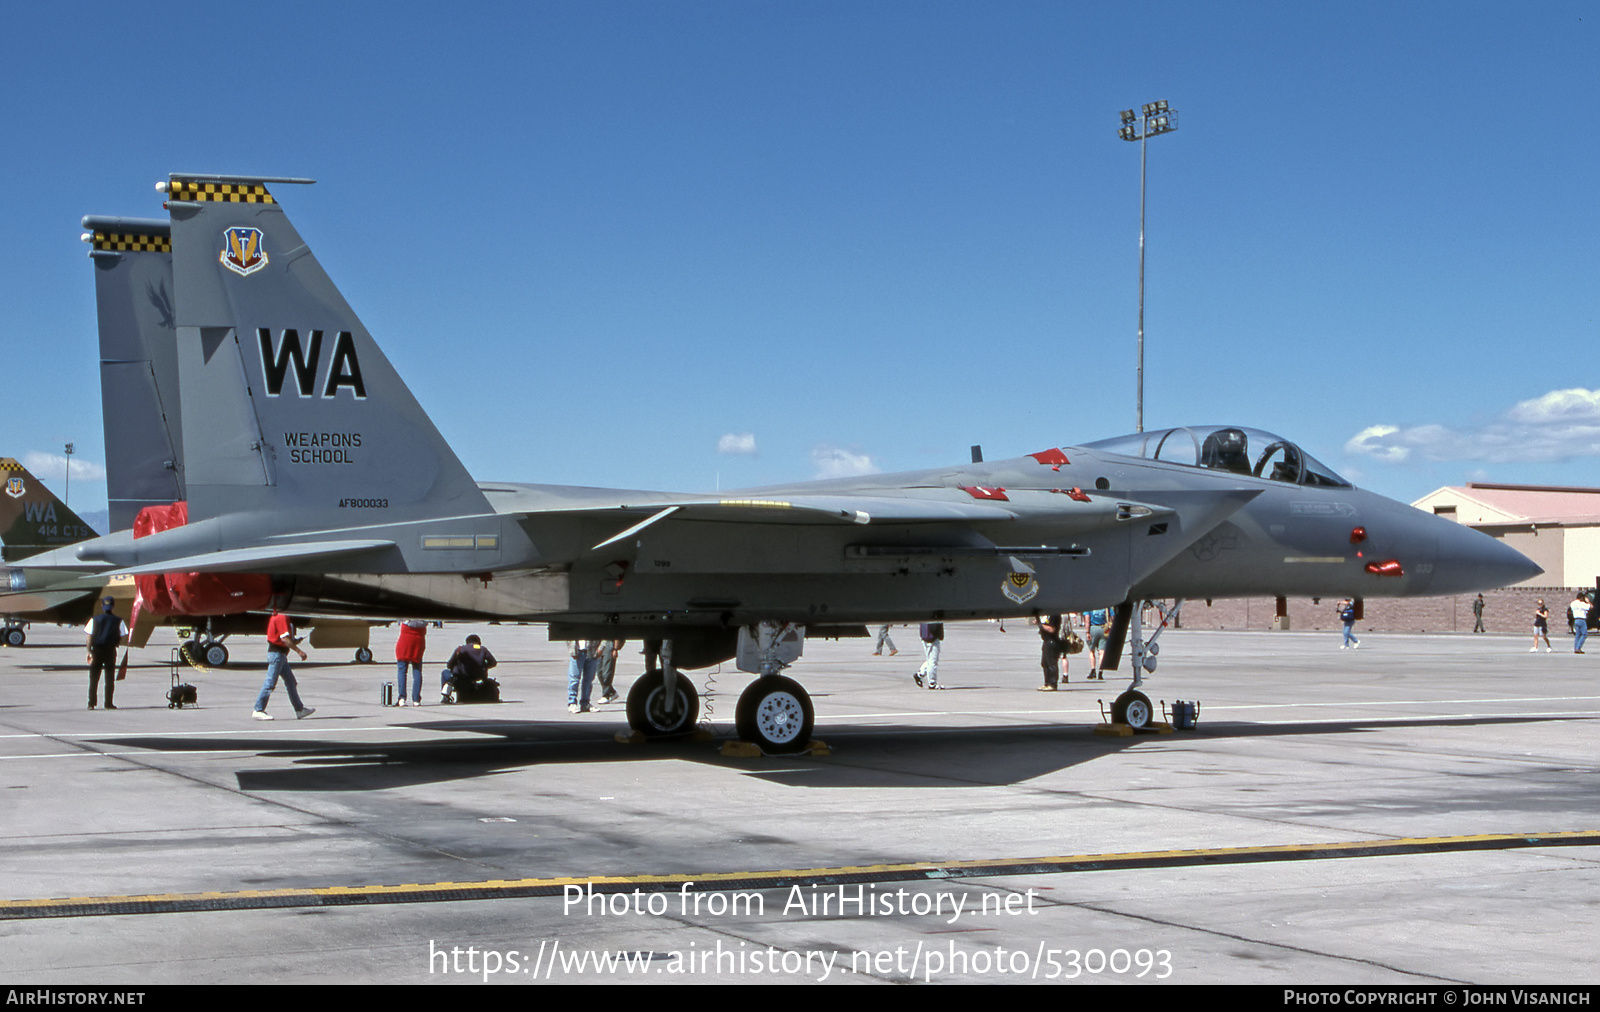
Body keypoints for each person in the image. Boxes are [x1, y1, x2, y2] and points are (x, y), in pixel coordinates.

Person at [255, 607, 314, 720]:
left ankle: (299, 710)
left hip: (280, 656)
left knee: (291, 682)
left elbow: (283, 639)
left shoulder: (277, 615)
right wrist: (299, 651)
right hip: (277, 655)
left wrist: (294, 642)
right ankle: (258, 709)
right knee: (270, 683)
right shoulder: (282, 616)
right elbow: (285, 640)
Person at [84, 597, 127, 710]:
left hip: (96, 650)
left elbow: (89, 637)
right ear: (113, 606)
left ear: (103, 606)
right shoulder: (118, 620)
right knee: (109, 679)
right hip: (110, 651)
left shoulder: (94, 619)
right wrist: (115, 642)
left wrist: (89, 651)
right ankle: (108, 703)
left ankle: (91, 703)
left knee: (93, 679)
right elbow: (123, 634)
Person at [442, 634, 498, 702]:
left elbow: (449, 665)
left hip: (462, 677)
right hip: (479, 677)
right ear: (479, 642)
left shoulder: (460, 649)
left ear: (467, 642)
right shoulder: (482, 649)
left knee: (445, 673)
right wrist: (484, 666)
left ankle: (446, 696)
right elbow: (493, 662)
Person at [394, 619, 428, 706]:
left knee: (402, 670)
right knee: (417, 670)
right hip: (419, 638)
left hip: (406, 637)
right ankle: (416, 699)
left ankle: (402, 698)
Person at [567, 639, 600, 712]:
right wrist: (572, 649)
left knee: (588, 679)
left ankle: (585, 703)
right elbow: (568, 635)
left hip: (592, 651)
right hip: (578, 652)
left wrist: (600, 649)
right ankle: (572, 703)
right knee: (574, 678)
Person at [1036, 614, 1064, 690]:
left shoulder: (1054, 615)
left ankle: (1053, 684)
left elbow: (1052, 629)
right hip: (1046, 641)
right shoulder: (1047, 615)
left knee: (1051, 663)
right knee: (1045, 663)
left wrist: (1040, 625)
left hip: (1052, 642)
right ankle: (1047, 683)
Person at [914, 622, 944, 689]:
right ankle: (932, 683)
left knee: (930, 659)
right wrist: (939, 635)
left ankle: (920, 674)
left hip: (925, 635)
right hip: (932, 637)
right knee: (933, 661)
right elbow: (934, 625)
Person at [1085, 606, 1111, 680]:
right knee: (1101, 652)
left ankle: (1093, 670)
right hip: (1103, 628)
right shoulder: (1106, 606)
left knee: (1091, 650)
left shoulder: (1089, 606)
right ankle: (1100, 671)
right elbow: (1112, 616)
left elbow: (1087, 620)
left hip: (1093, 628)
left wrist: (1087, 632)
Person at [595, 638, 624, 704]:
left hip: (609, 643)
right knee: (599, 672)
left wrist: (615, 649)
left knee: (607, 672)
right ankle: (612, 692)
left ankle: (606, 695)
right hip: (599, 643)